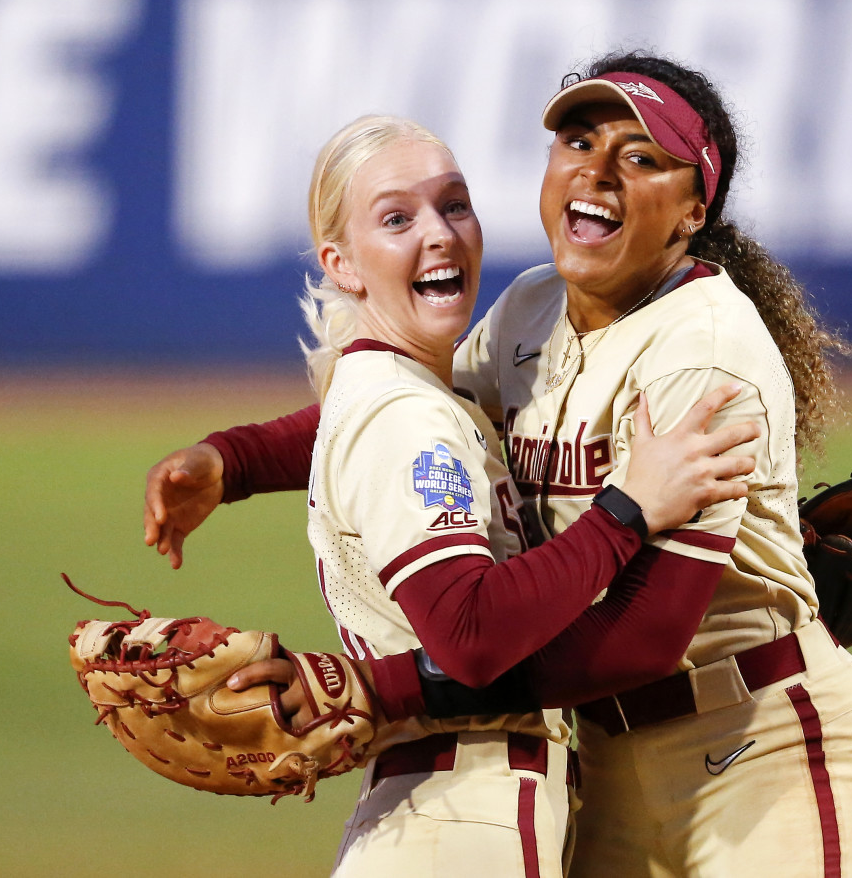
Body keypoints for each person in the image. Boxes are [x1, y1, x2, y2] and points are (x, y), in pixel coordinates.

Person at [146, 54, 852, 877]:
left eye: (643, 157)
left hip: (759, 753)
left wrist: (387, 687)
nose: (600, 172)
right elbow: (411, 412)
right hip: (607, 760)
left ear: (693, 211)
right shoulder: (530, 310)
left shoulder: (704, 354)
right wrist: (234, 461)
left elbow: (647, 640)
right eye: (580, 141)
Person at [186, 112, 756, 877]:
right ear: (343, 263)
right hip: (463, 821)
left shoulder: (409, 392)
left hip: (428, 813)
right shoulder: (408, 414)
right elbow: (469, 632)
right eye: (397, 218)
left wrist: (235, 460)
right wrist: (627, 511)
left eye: (454, 205)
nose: (440, 234)